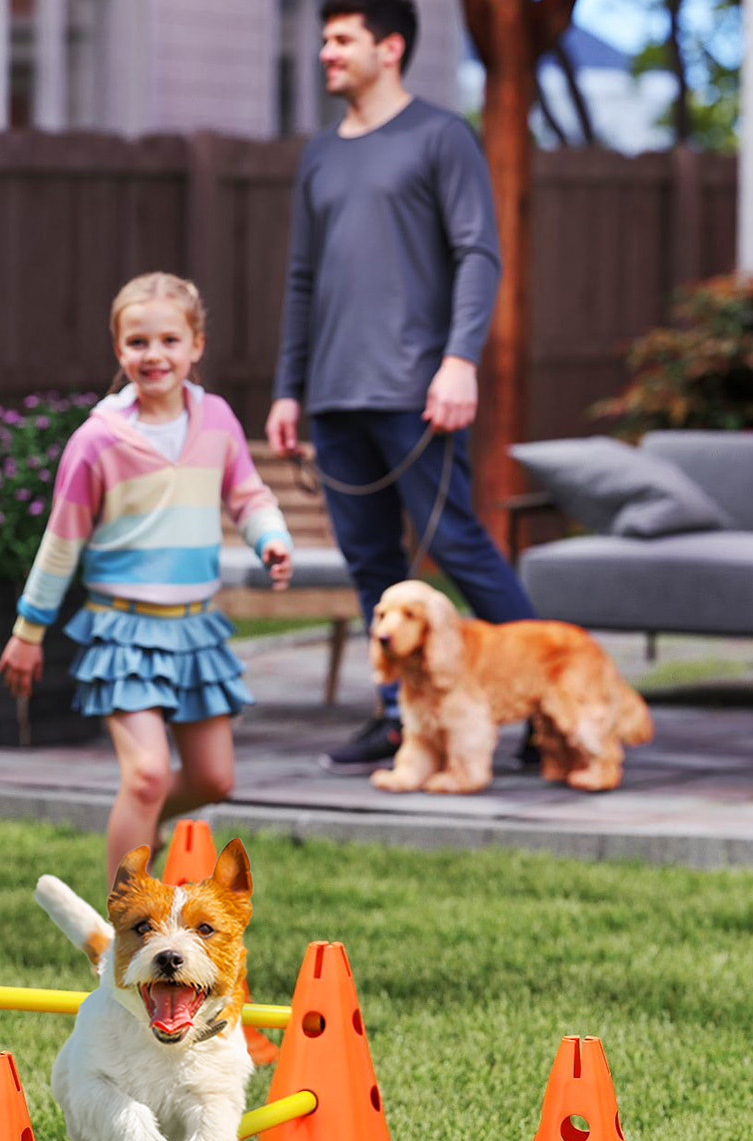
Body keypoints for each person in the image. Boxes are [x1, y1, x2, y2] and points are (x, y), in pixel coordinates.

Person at [266, 0, 537, 772]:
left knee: (456, 544)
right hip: (334, 393)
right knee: (371, 567)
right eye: (324, 38)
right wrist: (290, 387)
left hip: (418, 390)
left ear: (389, 48)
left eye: (341, 39)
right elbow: (301, 280)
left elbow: (478, 254)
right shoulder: (320, 154)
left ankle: (547, 707)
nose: (326, 52)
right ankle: (399, 719)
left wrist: (460, 359)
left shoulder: (441, 137)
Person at [0, 273, 293, 876]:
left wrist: (272, 539)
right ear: (118, 350)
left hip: (195, 630)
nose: (153, 355)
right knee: (148, 775)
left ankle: (147, 823)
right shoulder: (97, 441)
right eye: (137, 343)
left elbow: (248, 495)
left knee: (216, 779)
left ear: (196, 345)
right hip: (122, 631)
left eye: (168, 340)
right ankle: (121, 932)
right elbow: (61, 543)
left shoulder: (217, 420)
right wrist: (28, 633)